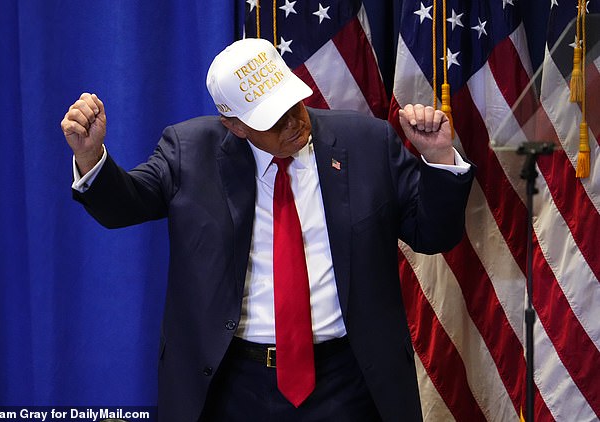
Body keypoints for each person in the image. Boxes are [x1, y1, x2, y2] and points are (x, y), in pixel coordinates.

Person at [61, 38, 473, 421]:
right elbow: (124, 205)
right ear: (235, 124)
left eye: (293, 103)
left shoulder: (367, 142)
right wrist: (91, 155)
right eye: (274, 119)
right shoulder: (189, 152)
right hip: (233, 383)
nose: (294, 121)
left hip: (350, 381)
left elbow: (433, 235)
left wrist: (438, 159)